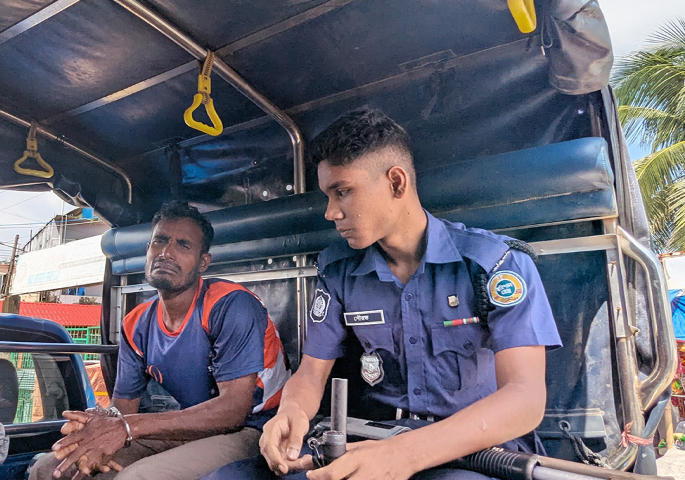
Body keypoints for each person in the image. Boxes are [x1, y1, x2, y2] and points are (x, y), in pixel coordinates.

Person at [206, 109, 562, 480]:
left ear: (396, 183)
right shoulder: (339, 270)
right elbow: (312, 370)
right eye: (328, 195)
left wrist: (404, 455)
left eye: (343, 192)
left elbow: (525, 398)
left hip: (472, 453)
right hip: (374, 442)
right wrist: (292, 411)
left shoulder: (494, 266)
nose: (330, 212)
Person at [28, 200, 289, 480]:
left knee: (136, 478)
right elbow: (123, 409)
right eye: (159, 241)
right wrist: (99, 422)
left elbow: (233, 411)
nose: (166, 252)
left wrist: (126, 427)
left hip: (254, 430)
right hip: (187, 428)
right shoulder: (136, 323)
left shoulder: (230, 305)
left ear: (203, 263)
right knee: (50, 470)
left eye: (183, 245)